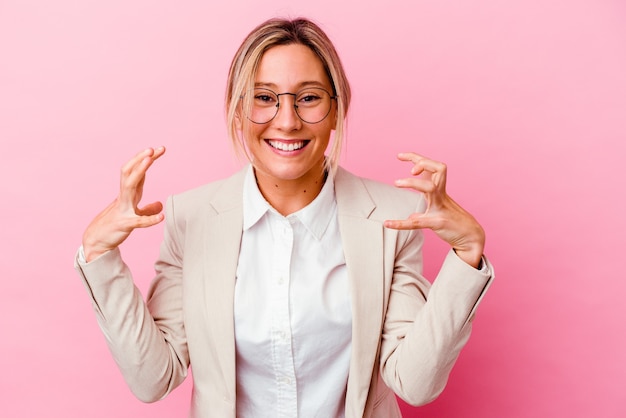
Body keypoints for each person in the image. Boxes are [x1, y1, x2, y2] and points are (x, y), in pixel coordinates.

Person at [75, 17, 494, 418]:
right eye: (264, 98)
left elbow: (415, 384)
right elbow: (155, 378)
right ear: (238, 112)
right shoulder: (192, 219)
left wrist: (466, 258)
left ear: (336, 110)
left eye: (309, 97)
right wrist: (100, 256)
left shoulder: (392, 217)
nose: (288, 121)